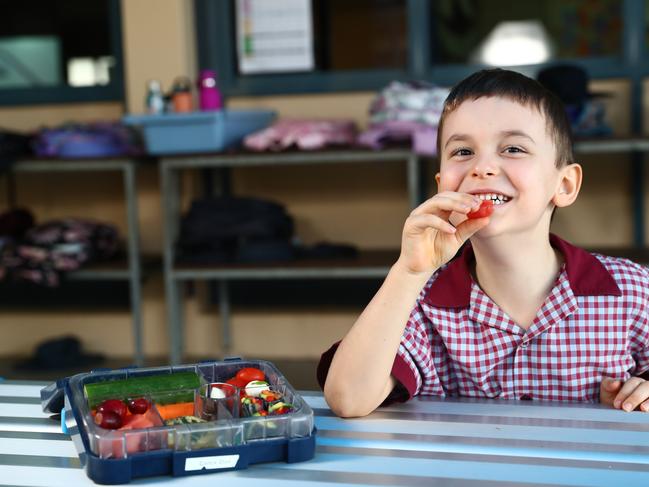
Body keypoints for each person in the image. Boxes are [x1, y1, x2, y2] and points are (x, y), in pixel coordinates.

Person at [318, 68, 649, 418]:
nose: (483, 167)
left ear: (564, 185)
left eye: (513, 148)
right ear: (442, 184)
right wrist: (409, 271)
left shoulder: (632, 290)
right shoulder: (420, 303)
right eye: (462, 152)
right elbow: (348, 399)